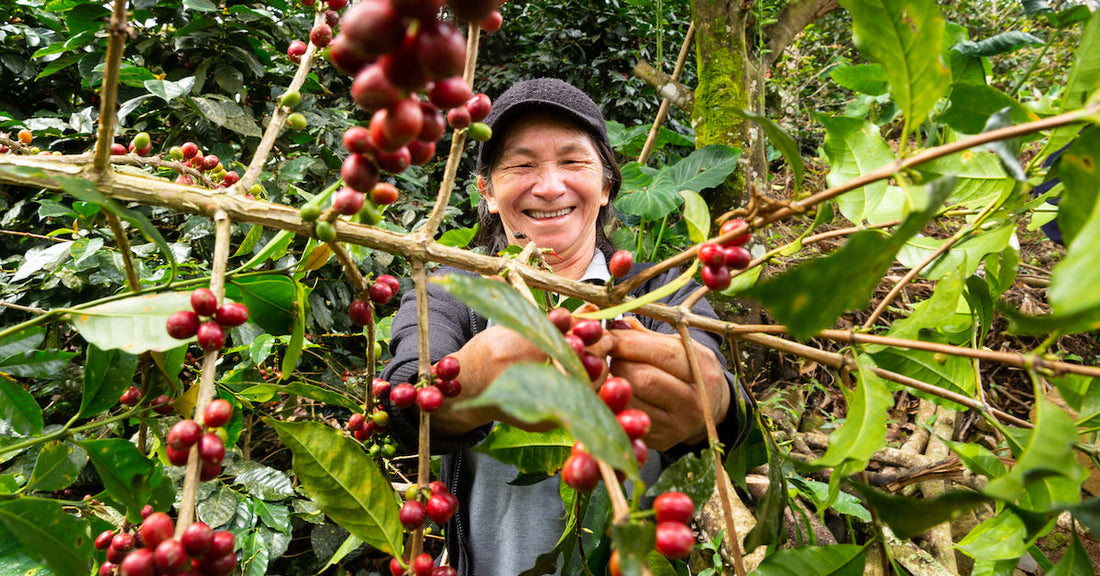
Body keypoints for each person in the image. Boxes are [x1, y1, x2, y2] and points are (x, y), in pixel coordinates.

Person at [380, 78, 754, 576]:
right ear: (487, 192)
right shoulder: (452, 289)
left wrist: (717, 405)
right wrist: (470, 380)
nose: (550, 186)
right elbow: (404, 396)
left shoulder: (663, 291)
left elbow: (727, 404)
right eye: (521, 164)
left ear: (605, 187)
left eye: (574, 162)